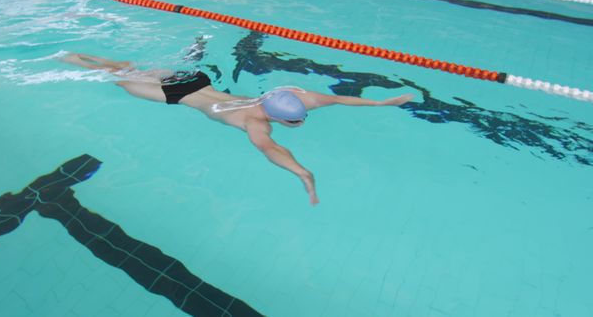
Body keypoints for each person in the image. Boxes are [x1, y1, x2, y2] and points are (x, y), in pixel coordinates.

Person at [61, 53, 414, 205]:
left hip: (195, 79)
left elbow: (339, 100)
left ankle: (96, 61)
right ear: (278, 117)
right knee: (116, 81)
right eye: (295, 121)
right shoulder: (255, 121)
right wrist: (302, 173)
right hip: (179, 95)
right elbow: (271, 150)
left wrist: (383, 103)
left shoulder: (289, 95)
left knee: (126, 70)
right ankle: (74, 61)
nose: (301, 120)